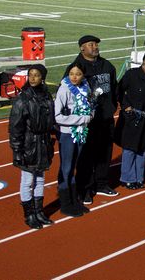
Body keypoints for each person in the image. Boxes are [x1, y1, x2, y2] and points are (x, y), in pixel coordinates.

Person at [64, 35, 118, 205]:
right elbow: (67, 92)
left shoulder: (107, 65)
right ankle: (85, 188)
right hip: (86, 121)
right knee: (85, 155)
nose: (95, 47)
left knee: (104, 153)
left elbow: (114, 88)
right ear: (82, 48)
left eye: (96, 44)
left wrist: (112, 106)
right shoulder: (75, 68)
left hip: (105, 117)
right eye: (91, 44)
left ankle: (101, 183)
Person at [8, 64, 55, 229]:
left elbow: (51, 119)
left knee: (40, 179)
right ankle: (29, 214)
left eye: (36, 75)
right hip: (29, 144)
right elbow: (15, 127)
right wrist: (17, 150)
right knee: (28, 180)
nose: (33, 78)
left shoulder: (47, 96)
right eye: (31, 75)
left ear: (43, 77)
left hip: (43, 142)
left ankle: (39, 211)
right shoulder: (23, 99)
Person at [116, 52, 145, 189]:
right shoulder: (131, 74)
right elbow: (119, 90)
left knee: (142, 148)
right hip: (131, 117)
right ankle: (127, 178)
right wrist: (125, 106)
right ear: (142, 62)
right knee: (129, 148)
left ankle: (139, 177)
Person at [54, 61, 93, 217]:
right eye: (71, 74)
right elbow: (58, 117)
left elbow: (90, 107)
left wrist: (90, 116)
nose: (74, 77)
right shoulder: (64, 90)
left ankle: (74, 200)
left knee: (74, 166)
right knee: (67, 168)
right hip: (67, 133)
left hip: (81, 133)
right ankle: (65, 203)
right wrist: (81, 119)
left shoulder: (86, 87)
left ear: (83, 75)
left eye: (78, 74)